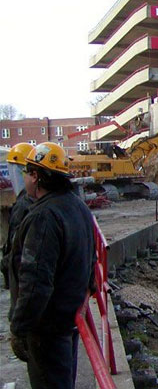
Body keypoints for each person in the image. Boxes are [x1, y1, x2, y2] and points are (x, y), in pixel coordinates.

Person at [8, 142, 95, 389]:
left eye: (27, 172)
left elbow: (35, 282)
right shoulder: (78, 207)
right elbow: (91, 258)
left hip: (47, 330)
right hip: (69, 321)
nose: (24, 177)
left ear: (36, 176)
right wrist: (90, 289)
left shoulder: (43, 218)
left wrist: (19, 328)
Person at [1, 143, 34, 290]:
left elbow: (18, 248)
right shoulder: (33, 201)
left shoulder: (24, 205)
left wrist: (5, 264)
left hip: (22, 280)